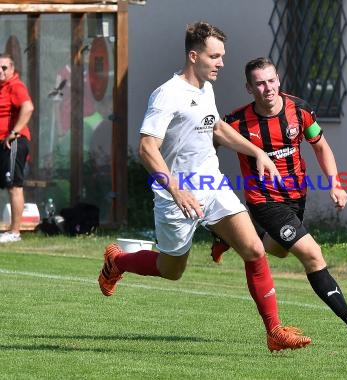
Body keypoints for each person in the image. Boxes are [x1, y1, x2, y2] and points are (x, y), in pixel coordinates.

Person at [97, 23, 311, 352]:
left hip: (211, 185)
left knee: (254, 249)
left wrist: (257, 152)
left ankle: (274, 331)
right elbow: (146, 149)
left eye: (222, 56)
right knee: (171, 270)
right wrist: (177, 191)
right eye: (215, 56)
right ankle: (119, 262)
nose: (221, 62)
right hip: (175, 196)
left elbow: (217, 128)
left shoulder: (205, 90)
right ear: (194, 56)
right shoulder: (167, 94)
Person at [212, 57, 347, 344]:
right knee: (312, 255)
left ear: (278, 80)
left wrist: (335, 185)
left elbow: (321, 147)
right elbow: (207, 143)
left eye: (271, 80)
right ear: (249, 88)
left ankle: (232, 237)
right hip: (264, 201)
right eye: (260, 83)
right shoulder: (236, 122)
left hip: (296, 199)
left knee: (276, 250)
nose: (268, 88)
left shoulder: (300, 111)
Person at [0, 53, 34, 243]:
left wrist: (14, 132)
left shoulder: (15, 85)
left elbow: (28, 107)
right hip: (2, 143)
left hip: (13, 143)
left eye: (4, 67)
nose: (1, 71)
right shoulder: (2, 87)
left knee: (14, 185)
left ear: (12, 69)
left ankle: (14, 232)